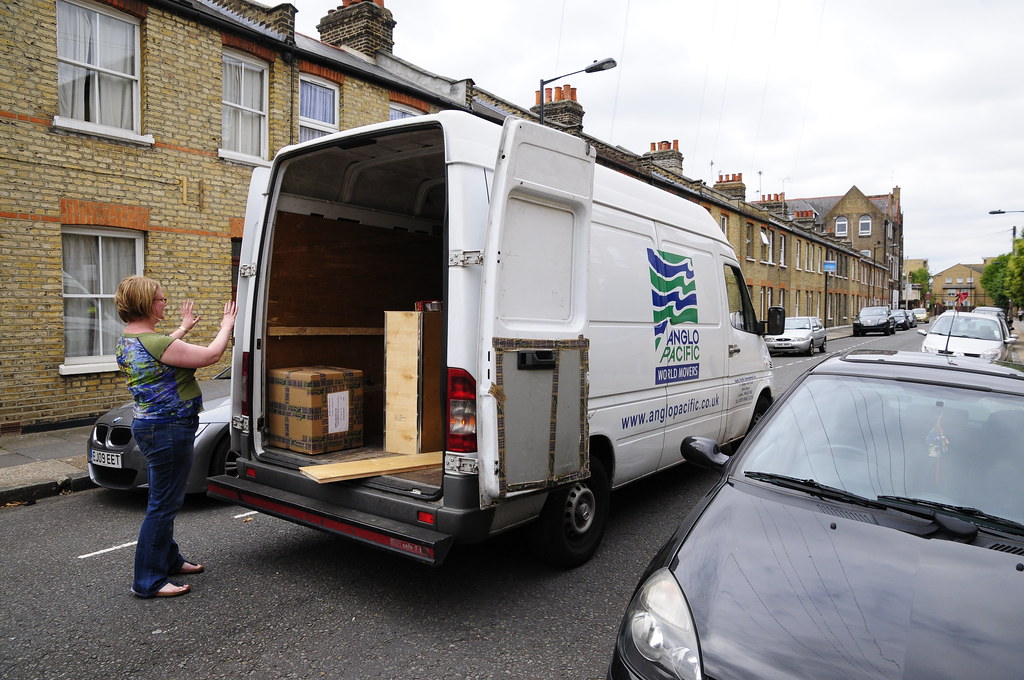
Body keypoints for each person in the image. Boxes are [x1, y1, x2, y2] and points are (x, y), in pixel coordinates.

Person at [114, 275, 237, 598]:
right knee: (163, 505)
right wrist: (227, 325)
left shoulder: (129, 339)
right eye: (160, 299)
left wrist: (182, 328)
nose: (164, 302)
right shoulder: (157, 343)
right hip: (170, 428)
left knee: (163, 497)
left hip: (151, 426)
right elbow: (210, 356)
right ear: (146, 304)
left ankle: (169, 559)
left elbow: (161, 348)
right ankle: (148, 581)